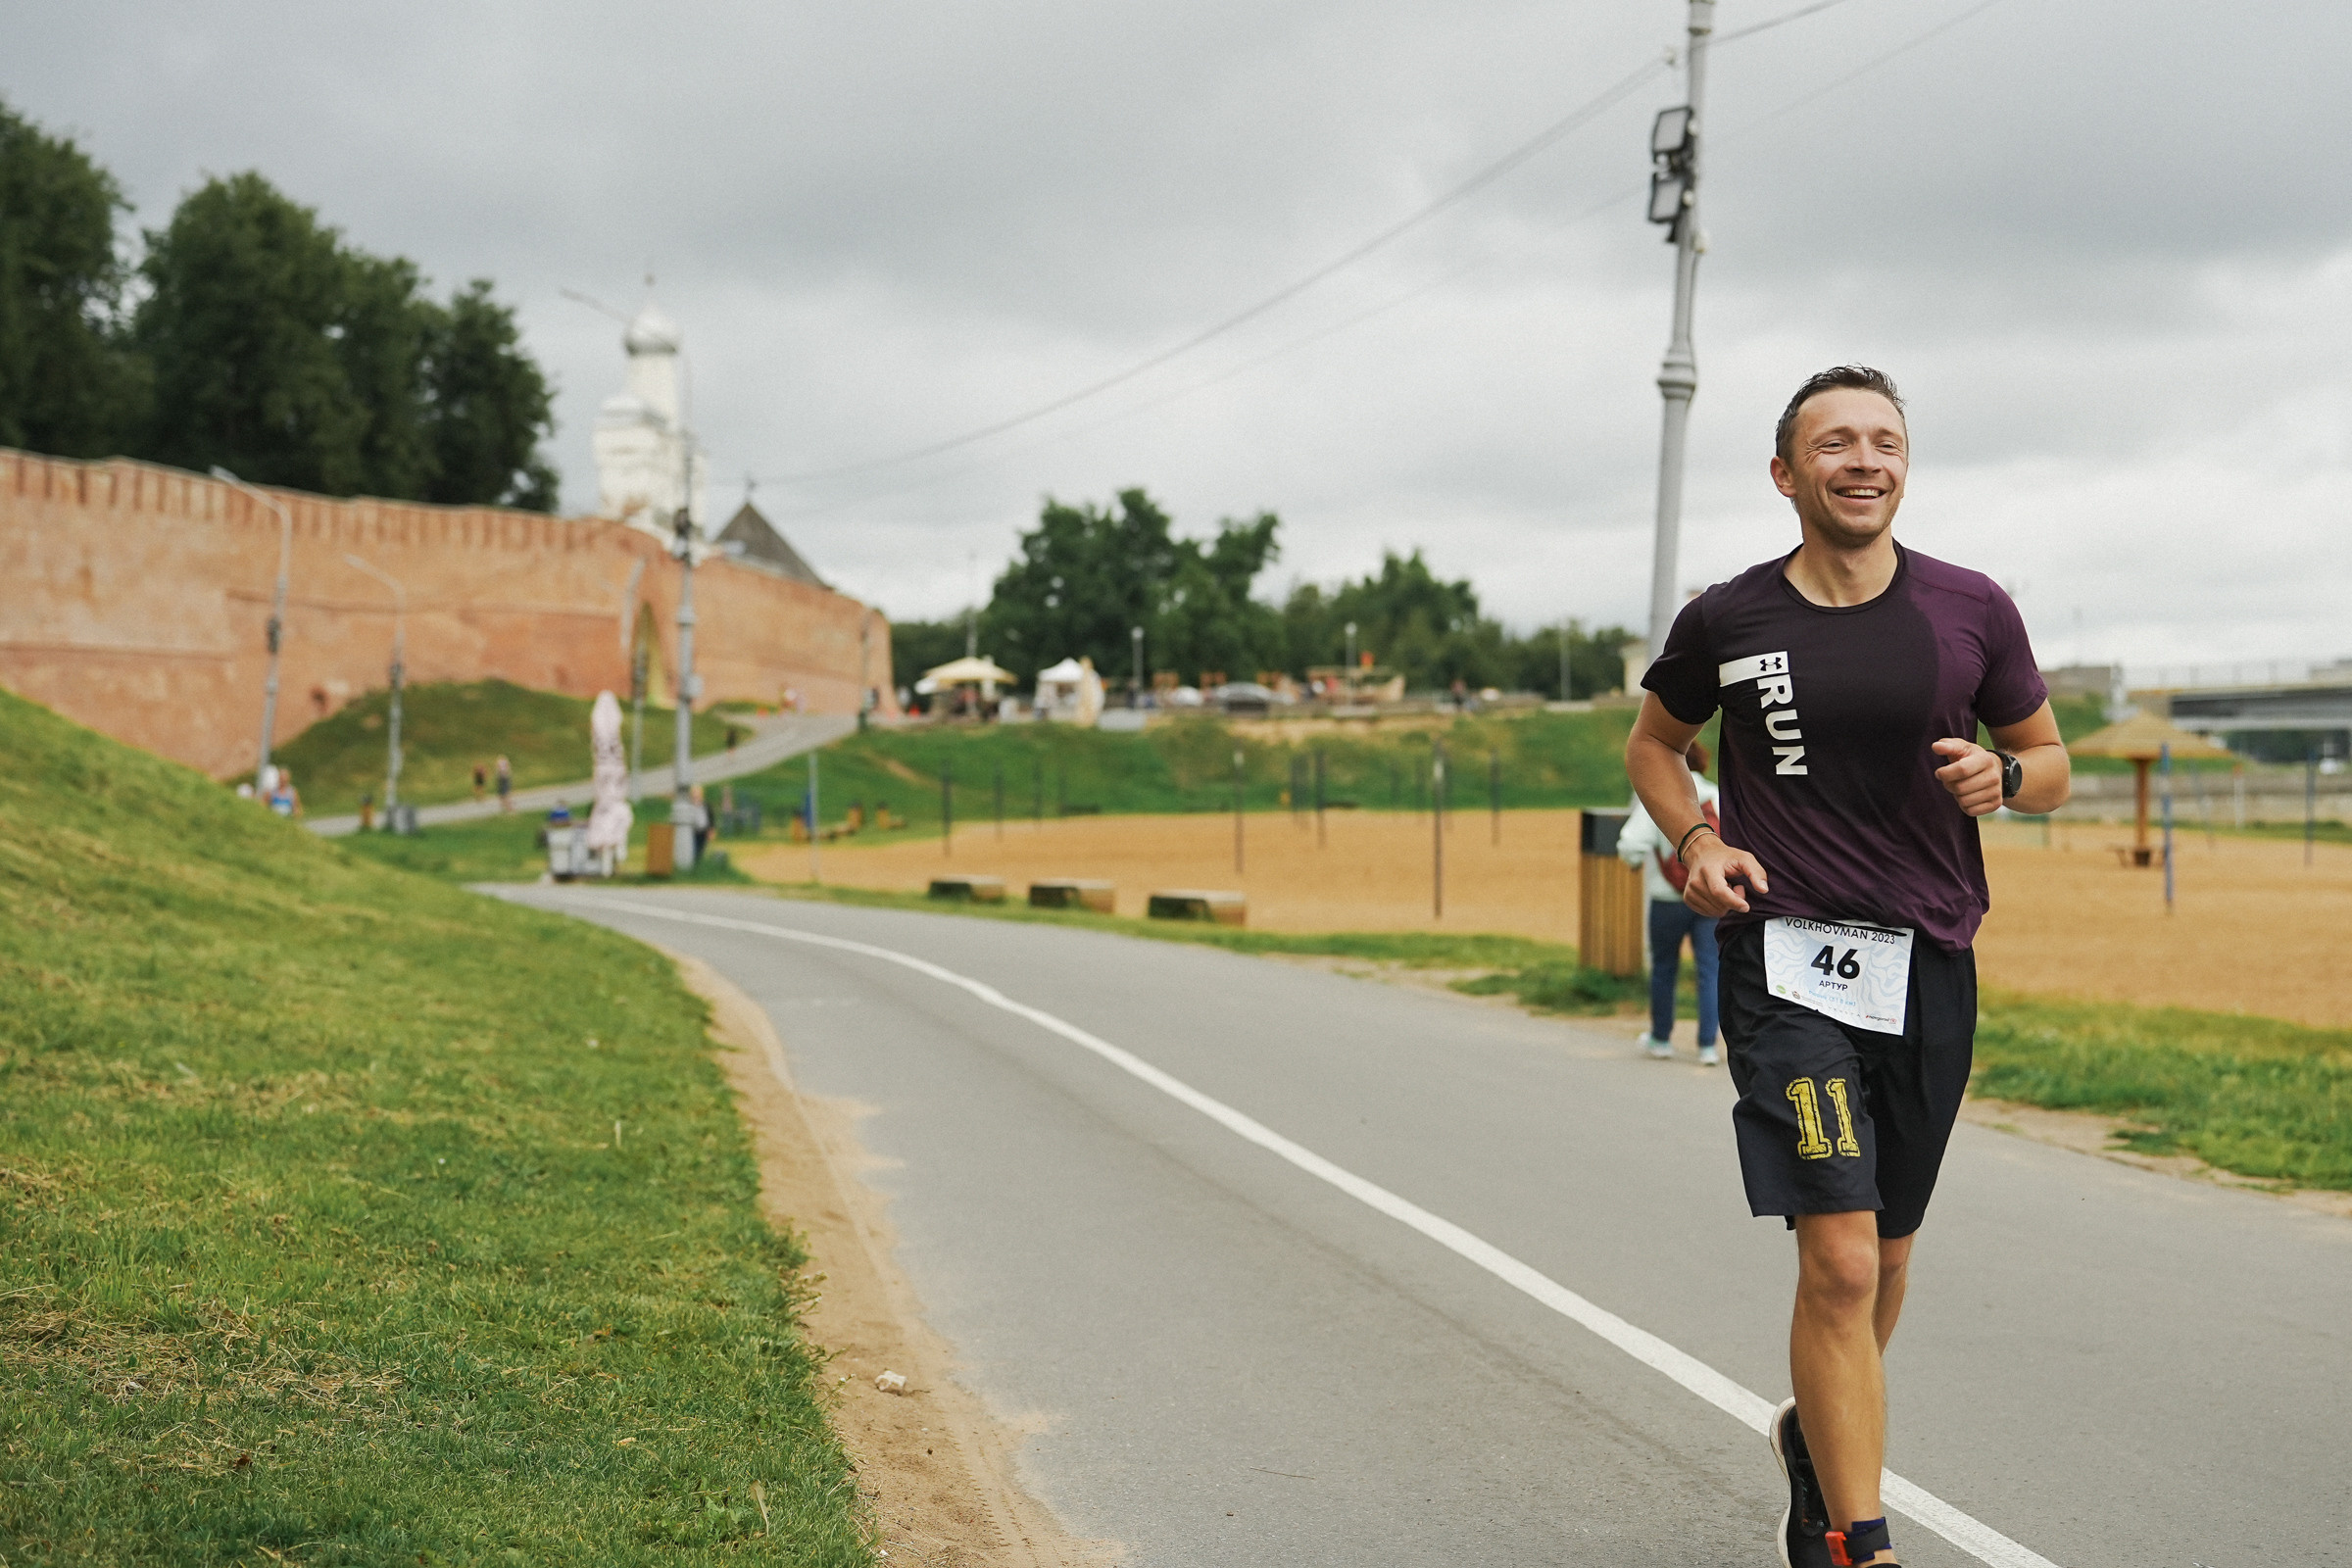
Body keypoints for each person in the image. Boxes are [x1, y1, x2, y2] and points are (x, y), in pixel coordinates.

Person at [1625, 367, 2070, 1568]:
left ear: (1904, 466)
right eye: (1834, 442)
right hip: (1785, 960)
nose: (1863, 459)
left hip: (1927, 961)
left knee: (1889, 1256)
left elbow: (2046, 753)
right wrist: (1700, 836)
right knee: (1835, 1253)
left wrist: (2008, 780)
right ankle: (1852, 1538)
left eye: (1884, 440)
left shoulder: (1973, 608)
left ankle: (1815, 1438)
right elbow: (1655, 745)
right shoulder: (1728, 618)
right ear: (1787, 474)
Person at [1617, 739, 1722, 1065]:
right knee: (1710, 971)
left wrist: (1637, 863)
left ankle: (1661, 1039)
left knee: (1664, 969)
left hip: (1666, 900)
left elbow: (1631, 844)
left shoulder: (1662, 799)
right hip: (1710, 898)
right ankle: (1707, 1046)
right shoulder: (1718, 797)